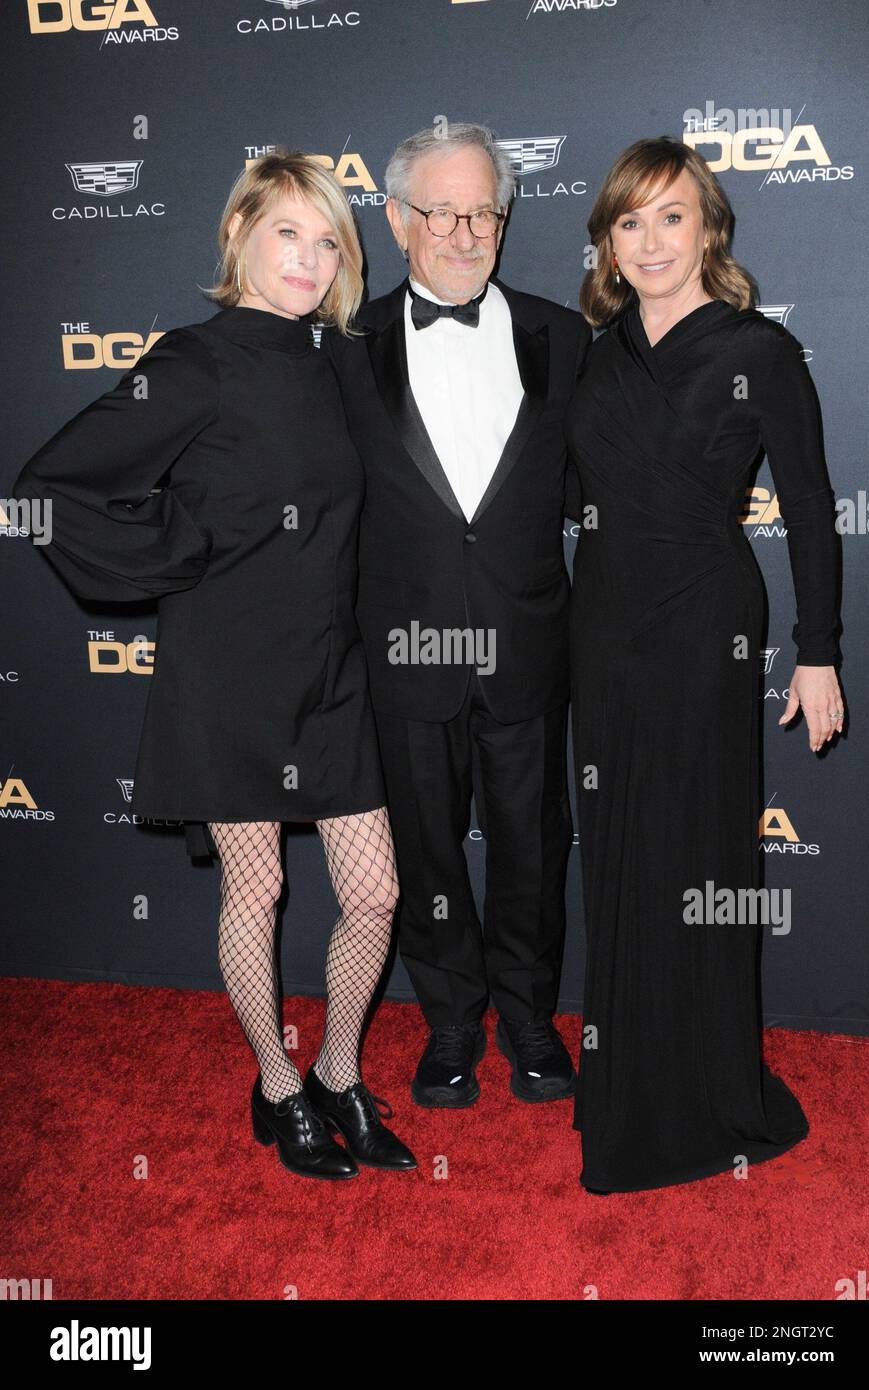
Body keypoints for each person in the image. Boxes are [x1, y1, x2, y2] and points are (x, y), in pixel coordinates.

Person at [10, 150, 417, 1182]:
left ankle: (334, 1073)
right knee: (259, 883)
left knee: (373, 894)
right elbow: (46, 489)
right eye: (289, 231)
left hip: (330, 667)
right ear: (240, 232)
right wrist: (177, 551)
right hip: (228, 668)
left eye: (328, 241)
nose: (309, 257)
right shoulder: (194, 359)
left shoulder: (334, 360)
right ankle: (275, 1088)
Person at [566, 135, 844, 1194]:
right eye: (627, 220)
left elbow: (811, 512)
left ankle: (707, 1092)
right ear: (606, 240)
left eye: (669, 215)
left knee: (697, 854)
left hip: (702, 624)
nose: (648, 240)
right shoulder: (593, 353)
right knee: (624, 849)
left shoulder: (756, 349)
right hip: (603, 627)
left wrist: (815, 655)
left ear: (707, 228)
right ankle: (625, 1077)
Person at [321, 123, 591, 1108]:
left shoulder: (562, 337)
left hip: (525, 642)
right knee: (428, 854)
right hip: (402, 650)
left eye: (484, 210)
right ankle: (447, 1025)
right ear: (395, 220)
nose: (465, 231)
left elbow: (604, 487)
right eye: (441, 211)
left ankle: (527, 1021)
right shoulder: (342, 350)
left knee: (530, 848)